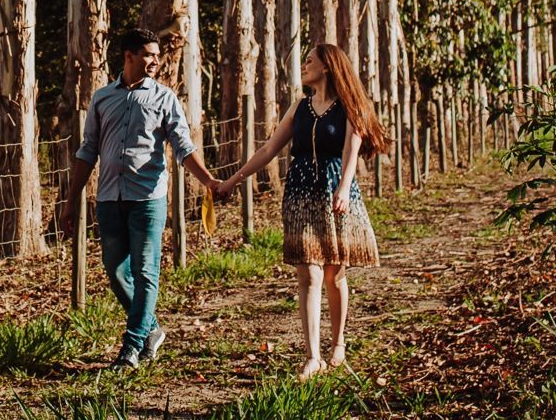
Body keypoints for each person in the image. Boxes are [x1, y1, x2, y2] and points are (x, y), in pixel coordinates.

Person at [218, 42, 390, 379]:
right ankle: (313, 356)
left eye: (310, 60)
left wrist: (344, 187)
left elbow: (351, 150)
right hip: (300, 194)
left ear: (327, 67)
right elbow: (269, 149)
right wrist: (233, 180)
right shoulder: (299, 107)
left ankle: (337, 342)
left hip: (335, 191)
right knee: (308, 274)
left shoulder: (350, 106)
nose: (305, 65)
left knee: (333, 273)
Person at [59, 27, 222, 369]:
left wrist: (208, 180)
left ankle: (131, 347)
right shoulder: (102, 98)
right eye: (149, 55)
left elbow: (183, 147)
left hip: (148, 198)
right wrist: (72, 200)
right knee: (117, 272)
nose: (155, 62)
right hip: (109, 198)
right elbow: (88, 150)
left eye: (157, 56)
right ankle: (151, 329)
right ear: (128, 56)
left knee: (145, 271)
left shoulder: (164, 98)